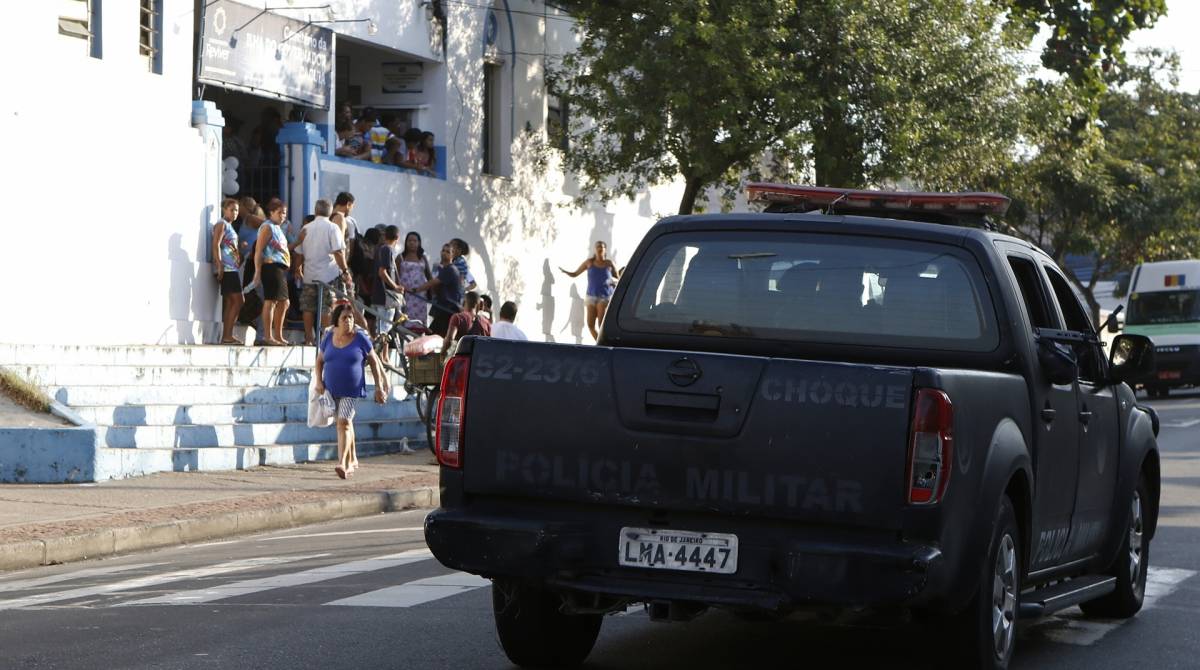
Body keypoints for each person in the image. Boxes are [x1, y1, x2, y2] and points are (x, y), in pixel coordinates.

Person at [314, 302, 388, 479]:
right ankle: (352, 458)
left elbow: (374, 361)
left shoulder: (360, 338)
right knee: (343, 423)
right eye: (344, 318)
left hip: (352, 390)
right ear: (337, 321)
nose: (348, 321)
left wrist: (380, 386)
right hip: (331, 389)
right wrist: (318, 381)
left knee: (344, 422)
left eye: (351, 318)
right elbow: (319, 360)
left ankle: (343, 463)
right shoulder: (329, 337)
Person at [293, 199, 353, 345]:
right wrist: (345, 270)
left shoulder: (306, 228)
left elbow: (299, 253)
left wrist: (297, 268)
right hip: (328, 275)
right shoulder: (332, 228)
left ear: (315, 210)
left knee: (308, 307)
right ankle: (324, 339)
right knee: (326, 307)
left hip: (309, 275)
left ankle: (309, 338)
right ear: (330, 211)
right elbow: (338, 252)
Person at [559, 241, 621, 340]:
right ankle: (600, 343)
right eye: (598, 247)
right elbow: (575, 274)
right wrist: (565, 272)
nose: (600, 248)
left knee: (601, 324)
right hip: (591, 296)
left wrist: (613, 281)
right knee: (590, 325)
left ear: (605, 249)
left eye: (602, 247)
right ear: (595, 249)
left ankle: (603, 343)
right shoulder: (589, 263)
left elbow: (618, 279)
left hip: (604, 297)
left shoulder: (609, 264)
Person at [251, 198, 292, 346]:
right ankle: (268, 336)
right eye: (279, 213)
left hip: (279, 269)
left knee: (284, 302)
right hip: (271, 267)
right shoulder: (267, 227)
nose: (283, 216)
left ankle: (278, 335)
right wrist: (257, 271)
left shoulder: (278, 229)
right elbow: (258, 250)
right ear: (271, 213)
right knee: (271, 301)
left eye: (284, 213)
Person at [211, 198, 244, 345]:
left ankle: (227, 335)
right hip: (228, 269)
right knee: (238, 300)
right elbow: (216, 245)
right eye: (231, 209)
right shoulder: (221, 224)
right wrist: (219, 265)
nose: (234, 213)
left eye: (236, 210)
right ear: (224, 210)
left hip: (233, 268)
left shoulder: (230, 226)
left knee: (232, 301)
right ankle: (227, 335)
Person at [414, 243, 464, 336]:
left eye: (448, 252)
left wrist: (416, 290)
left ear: (452, 255)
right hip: (442, 309)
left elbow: (433, 282)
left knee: (431, 336)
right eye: (443, 250)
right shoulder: (442, 268)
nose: (444, 253)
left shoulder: (450, 269)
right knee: (433, 336)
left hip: (448, 310)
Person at [372, 226, 404, 352]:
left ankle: (382, 355)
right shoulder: (387, 250)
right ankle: (379, 355)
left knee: (383, 327)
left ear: (385, 236)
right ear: (397, 237)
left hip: (380, 294)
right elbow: (382, 272)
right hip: (386, 296)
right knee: (384, 328)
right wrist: (395, 286)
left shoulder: (380, 249)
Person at [398, 231, 433, 326]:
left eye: (415, 241)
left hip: (419, 296)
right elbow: (396, 276)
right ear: (406, 242)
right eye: (409, 240)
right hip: (405, 294)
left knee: (419, 324)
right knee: (404, 320)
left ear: (419, 243)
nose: (412, 243)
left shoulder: (423, 258)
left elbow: (429, 276)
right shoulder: (400, 257)